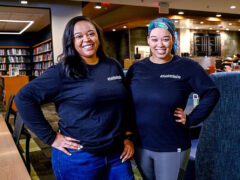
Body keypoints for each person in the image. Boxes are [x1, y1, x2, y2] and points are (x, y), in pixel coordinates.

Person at [15, 16, 135, 180]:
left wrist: (127, 137)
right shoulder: (62, 72)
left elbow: (124, 104)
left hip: (117, 154)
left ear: (98, 37)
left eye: (91, 34)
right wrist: (51, 138)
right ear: (70, 41)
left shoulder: (112, 65)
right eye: (79, 36)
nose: (87, 39)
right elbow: (23, 98)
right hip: (80, 157)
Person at [126, 17, 220, 180]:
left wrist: (191, 119)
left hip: (172, 144)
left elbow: (211, 93)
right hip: (141, 143)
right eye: (154, 39)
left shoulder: (187, 67)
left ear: (173, 39)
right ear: (148, 40)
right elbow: (125, 101)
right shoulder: (137, 68)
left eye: (165, 38)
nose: (160, 44)